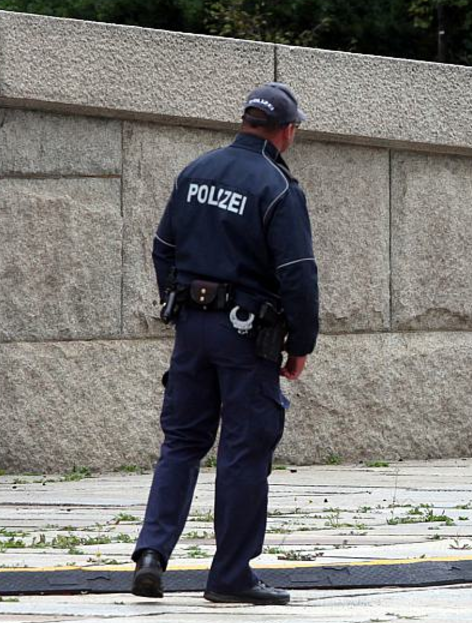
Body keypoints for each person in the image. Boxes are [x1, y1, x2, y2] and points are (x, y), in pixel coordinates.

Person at [130, 82, 319, 605]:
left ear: (245, 121)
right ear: (287, 130)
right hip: (246, 336)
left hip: (192, 329)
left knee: (182, 443)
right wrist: (300, 341)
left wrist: (178, 301)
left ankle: (151, 555)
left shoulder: (196, 171)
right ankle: (230, 576)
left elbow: (163, 247)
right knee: (242, 450)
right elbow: (297, 273)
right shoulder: (277, 186)